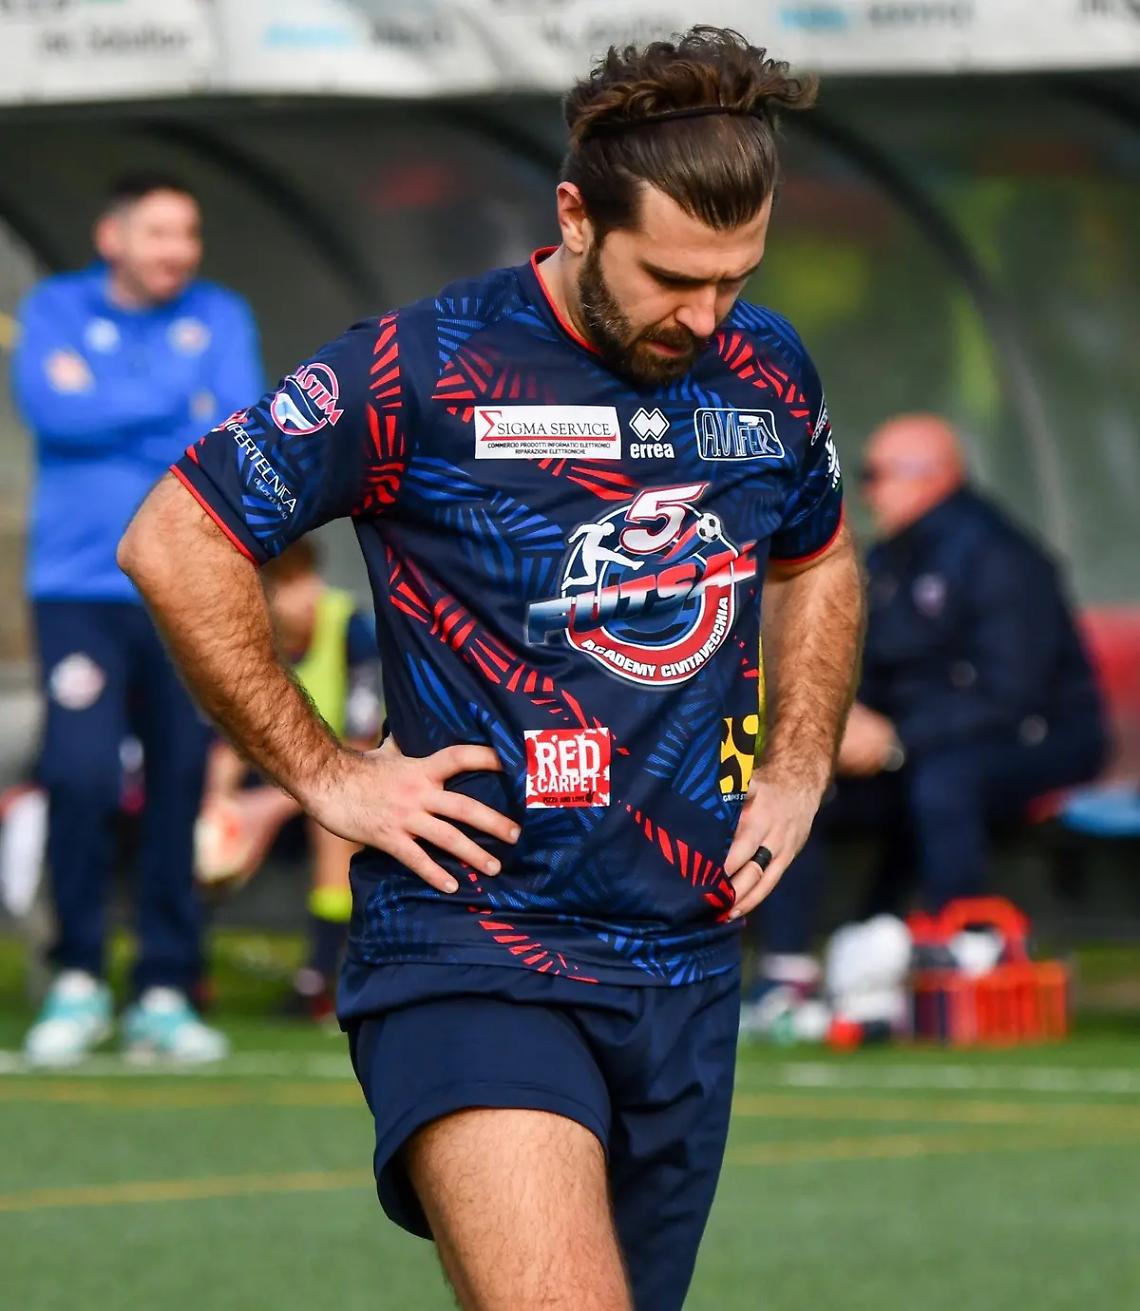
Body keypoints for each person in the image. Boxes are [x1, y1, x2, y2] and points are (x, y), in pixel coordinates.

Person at [119, 28, 862, 1311]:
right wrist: (328, 775)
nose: (705, 314)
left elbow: (819, 564)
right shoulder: (420, 367)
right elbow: (176, 537)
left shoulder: (769, 370)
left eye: (735, 278)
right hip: (474, 941)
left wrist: (798, 767)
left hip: (687, 962)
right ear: (575, 216)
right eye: (673, 277)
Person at [14, 172, 264, 1065]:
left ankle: (164, 983)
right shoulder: (53, 305)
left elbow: (236, 426)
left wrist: (115, 408)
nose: (177, 252)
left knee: (179, 781)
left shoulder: (222, 313)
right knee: (79, 775)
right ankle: (78, 975)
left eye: (188, 234)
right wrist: (175, 405)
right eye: (160, 233)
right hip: (77, 589)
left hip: (192, 586)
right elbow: (50, 410)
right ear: (111, 235)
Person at [754, 412, 1107, 999]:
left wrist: (897, 740)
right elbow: (873, 668)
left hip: (1042, 739)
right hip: (924, 743)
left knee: (944, 780)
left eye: (875, 473)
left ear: (932, 476)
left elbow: (1011, 694)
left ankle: (956, 956)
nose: (864, 489)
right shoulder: (891, 559)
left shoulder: (1000, 556)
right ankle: (787, 974)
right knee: (801, 775)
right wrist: (843, 729)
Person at [197, 537, 382, 1018]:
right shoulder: (246, 642)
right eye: (293, 582)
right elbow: (231, 743)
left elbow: (360, 747)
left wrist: (274, 805)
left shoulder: (348, 628)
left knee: (331, 826)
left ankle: (318, 978)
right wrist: (221, 804)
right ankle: (184, 972)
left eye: (311, 577)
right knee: (212, 829)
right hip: (287, 787)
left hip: (345, 785)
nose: (311, 592)